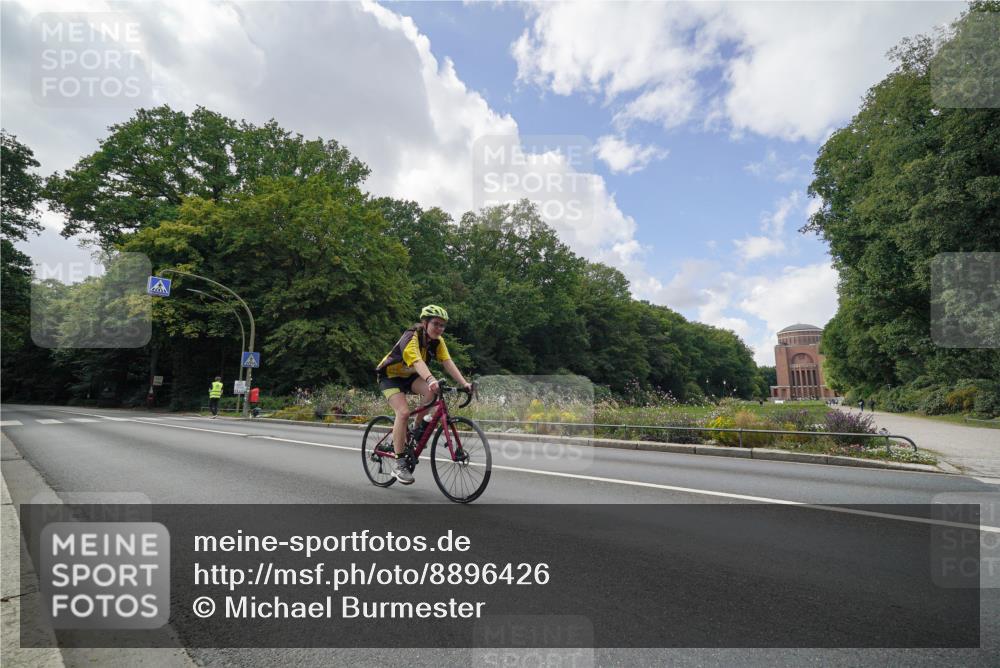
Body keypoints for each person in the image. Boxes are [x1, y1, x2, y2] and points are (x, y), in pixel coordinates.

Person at [376, 305, 472, 484]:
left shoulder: (437, 341)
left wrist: (464, 383)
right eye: (436, 324)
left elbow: (447, 362)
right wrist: (430, 379)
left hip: (410, 376)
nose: (439, 329)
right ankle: (399, 463)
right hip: (390, 377)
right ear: (424, 322)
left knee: (431, 393)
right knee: (403, 412)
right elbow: (417, 361)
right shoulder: (410, 336)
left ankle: (416, 427)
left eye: (443, 326)